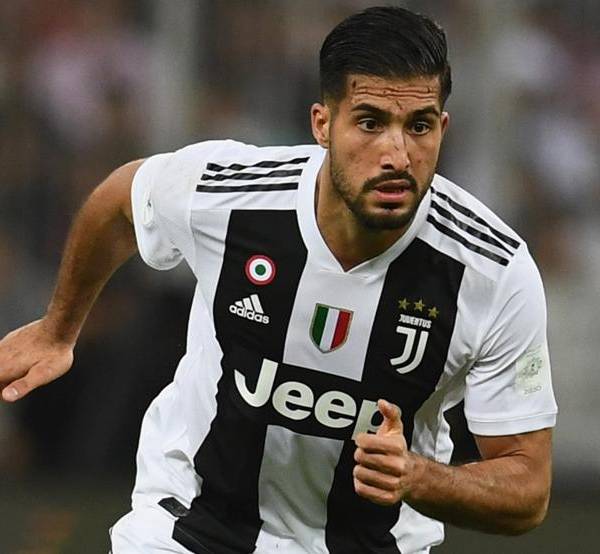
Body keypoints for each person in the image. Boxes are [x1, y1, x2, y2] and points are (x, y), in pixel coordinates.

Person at [0, 6, 557, 554]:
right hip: (191, 528)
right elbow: (121, 200)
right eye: (370, 123)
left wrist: (419, 476)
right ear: (322, 124)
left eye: (419, 126)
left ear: (443, 128)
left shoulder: (493, 271)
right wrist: (58, 330)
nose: (397, 155)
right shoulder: (233, 194)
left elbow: (527, 491)